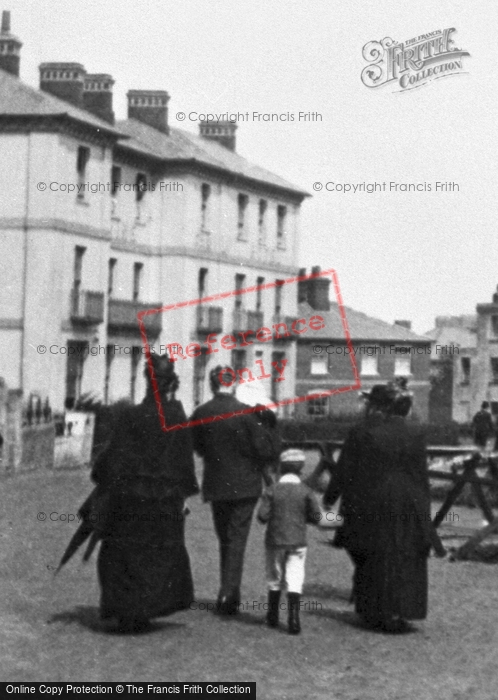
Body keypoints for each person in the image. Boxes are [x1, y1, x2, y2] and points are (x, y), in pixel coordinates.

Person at [90, 353, 199, 632]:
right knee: (157, 556)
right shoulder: (176, 415)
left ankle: (128, 611)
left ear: (148, 382)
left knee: (124, 553)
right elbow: (184, 460)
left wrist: (100, 475)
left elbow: (112, 458)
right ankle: (146, 609)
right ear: (169, 384)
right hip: (164, 501)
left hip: (130, 499)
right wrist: (182, 495)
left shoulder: (131, 416)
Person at [324, 384, 445, 633]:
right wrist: (424, 505)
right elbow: (420, 473)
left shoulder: (361, 431)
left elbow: (345, 469)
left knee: (373, 555)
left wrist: (330, 498)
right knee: (405, 556)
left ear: (374, 405)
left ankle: (373, 611)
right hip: (408, 500)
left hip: (370, 499)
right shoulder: (415, 431)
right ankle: (401, 611)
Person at [191, 365, 280, 615]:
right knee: (237, 538)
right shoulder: (246, 414)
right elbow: (264, 451)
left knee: (224, 538)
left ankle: (229, 590)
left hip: (217, 484)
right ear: (234, 383)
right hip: (245, 485)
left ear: (212, 384)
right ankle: (228, 593)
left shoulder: (201, 412)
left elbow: (197, 447)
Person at [257, 449, 321, 634]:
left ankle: (272, 616)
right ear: (300, 469)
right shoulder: (306, 491)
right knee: (295, 577)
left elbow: (262, 516)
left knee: (274, 577)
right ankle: (294, 620)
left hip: (275, 539)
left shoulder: (272, 490)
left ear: (281, 468)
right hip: (298, 540)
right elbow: (316, 517)